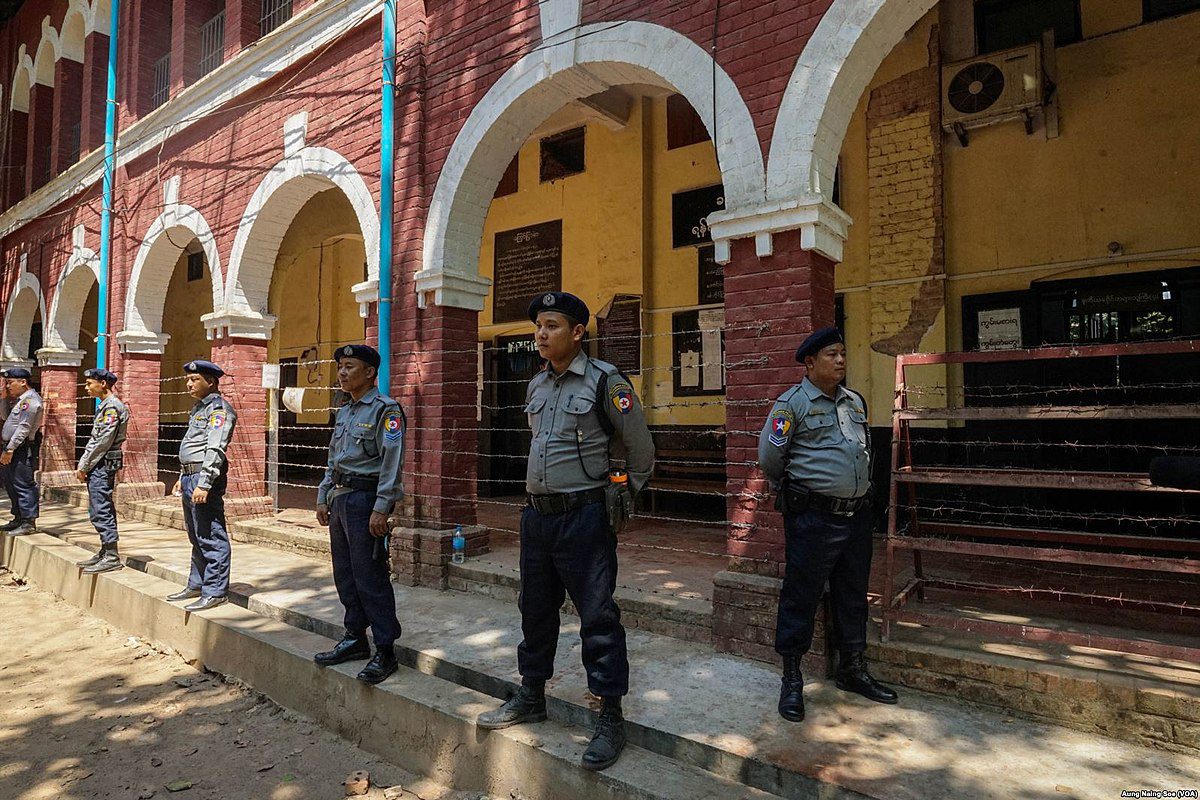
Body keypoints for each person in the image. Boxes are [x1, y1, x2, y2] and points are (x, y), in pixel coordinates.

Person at [476, 291, 654, 772]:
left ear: (577, 332)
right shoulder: (536, 386)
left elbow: (639, 449)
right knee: (534, 609)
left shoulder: (605, 382)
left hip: (584, 516)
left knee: (597, 615)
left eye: (551, 325)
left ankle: (610, 713)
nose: (540, 333)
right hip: (537, 517)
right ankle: (532, 693)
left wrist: (620, 497)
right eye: (538, 326)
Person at [758, 326, 898, 723]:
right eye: (831, 354)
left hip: (856, 516)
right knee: (800, 596)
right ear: (809, 362)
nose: (840, 360)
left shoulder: (854, 402)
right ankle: (792, 679)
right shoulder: (792, 405)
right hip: (813, 518)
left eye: (842, 353)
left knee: (852, 593)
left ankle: (852, 669)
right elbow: (770, 458)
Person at [313, 344, 405, 685]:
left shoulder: (386, 410)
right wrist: (323, 495)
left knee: (371, 577)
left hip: (366, 501)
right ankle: (354, 637)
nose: (342, 372)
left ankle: (385, 649)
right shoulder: (346, 410)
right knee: (346, 574)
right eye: (340, 366)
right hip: (340, 499)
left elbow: (391, 463)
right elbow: (333, 457)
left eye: (350, 366)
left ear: (370, 372)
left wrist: (382, 507)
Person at [166, 360, 237, 612]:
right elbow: (192, 447)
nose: (188, 383)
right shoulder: (199, 408)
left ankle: (215, 590)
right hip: (190, 476)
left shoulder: (218, 410)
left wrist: (204, 483)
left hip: (203, 478)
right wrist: (182, 475)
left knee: (210, 533)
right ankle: (197, 583)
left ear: (211, 381)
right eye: (188, 379)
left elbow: (215, 448)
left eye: (194, 379)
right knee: (195, 534)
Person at [74, 368, 130, 574]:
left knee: (101, 507)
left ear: (103, 384)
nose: (86, 387)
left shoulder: (112, 408)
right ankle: (106, 550)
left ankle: (112, 555)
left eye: (90, 383)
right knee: (99, 506)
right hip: (99, 461)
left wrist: (84, 465)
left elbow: (102, 442)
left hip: (102, 462)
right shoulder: (104, 407)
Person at [1, 367, 44, 537]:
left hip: (22, 447)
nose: (8, 386)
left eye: (10, 382)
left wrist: (10, 448)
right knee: (11, 482)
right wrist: (4, 398)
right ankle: (18, 517)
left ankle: (28, 522)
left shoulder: (31, 401)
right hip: (12, 446)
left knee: (23, 483)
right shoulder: (20, 400)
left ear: (23, 382)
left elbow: (24, 428)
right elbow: (4, 417)